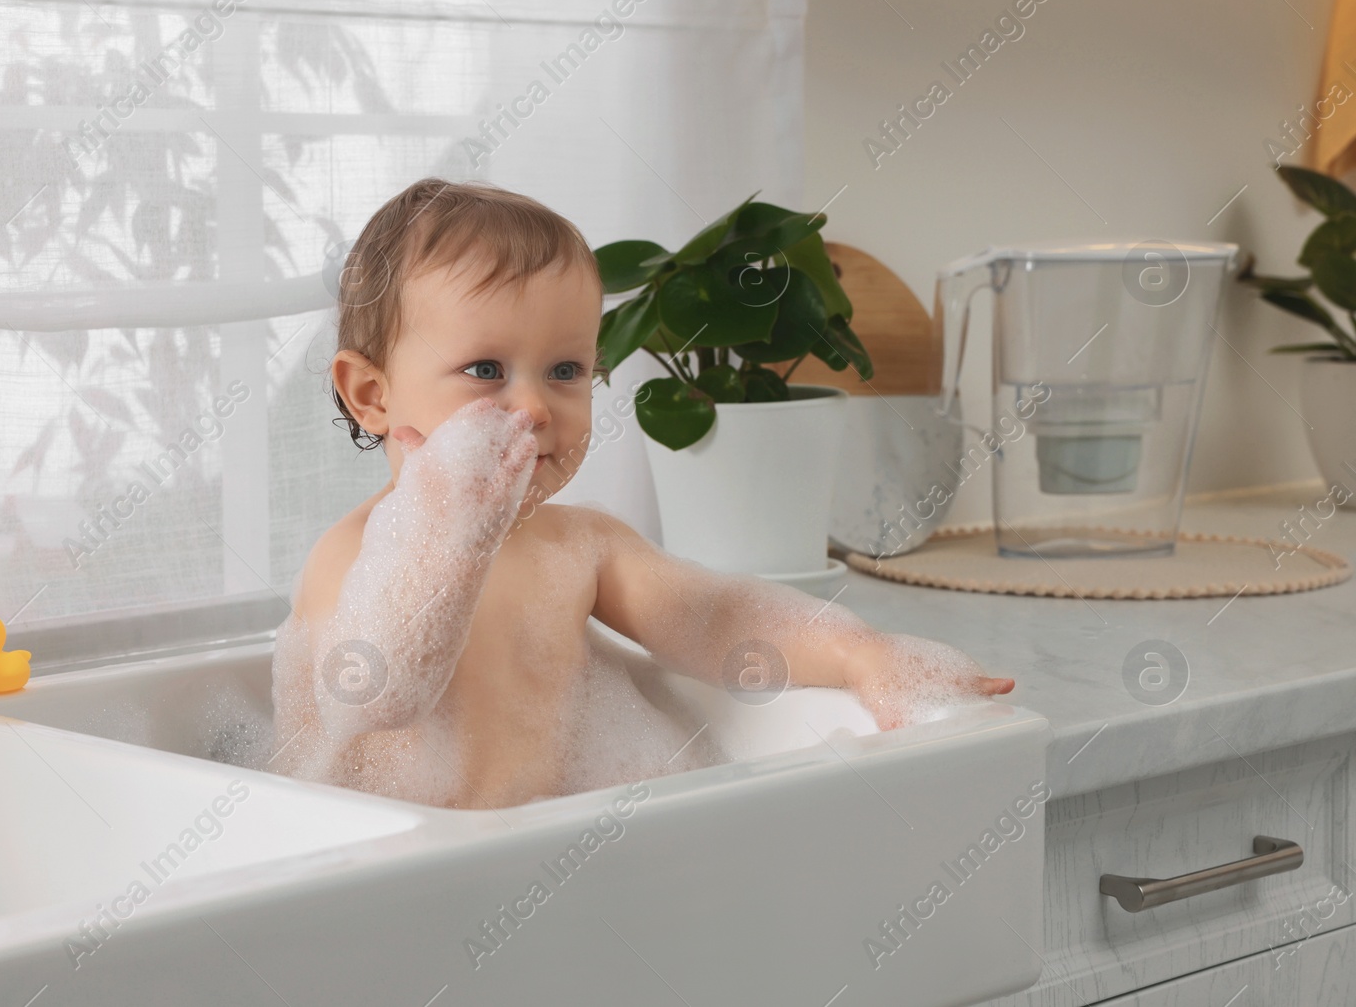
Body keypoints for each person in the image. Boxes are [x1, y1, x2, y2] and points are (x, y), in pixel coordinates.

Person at [269, 179, 1014, 809]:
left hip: (545, 858)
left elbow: (714, 617)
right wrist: (446, 538)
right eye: (487, 369)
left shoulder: (579, 544)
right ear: (370, 394)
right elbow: (375, 695)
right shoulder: (354, 558)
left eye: (565, 371)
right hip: (392, 875)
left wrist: (865, 654)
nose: (533, 407)